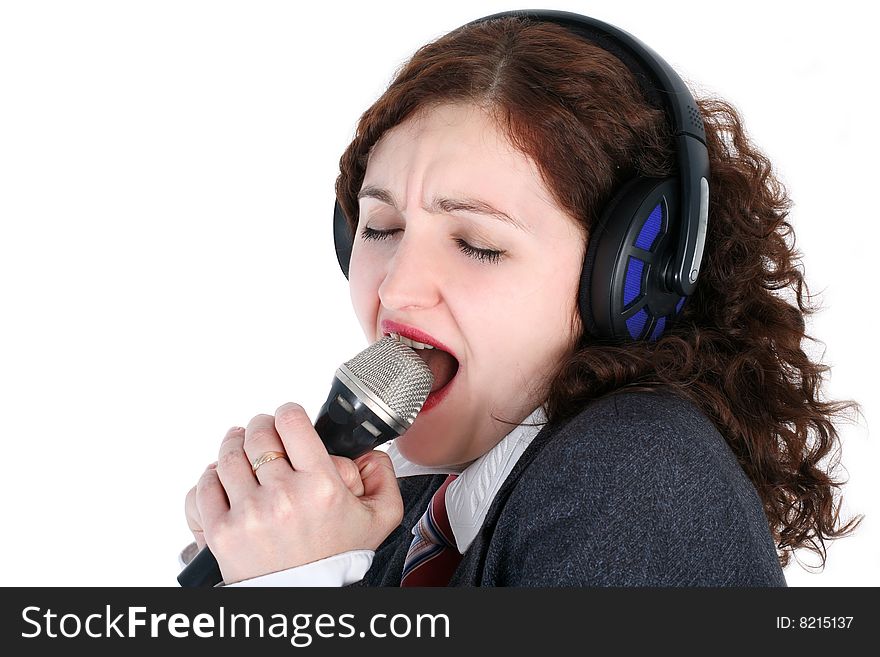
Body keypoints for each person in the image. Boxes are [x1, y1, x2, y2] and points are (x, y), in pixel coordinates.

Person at [180, 10, 862, 586]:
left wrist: (297, 584)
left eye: (478, 243)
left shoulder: (640, 480)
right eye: (381, 228)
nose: (396, 287)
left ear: (629, 278)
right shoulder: (401, 514)